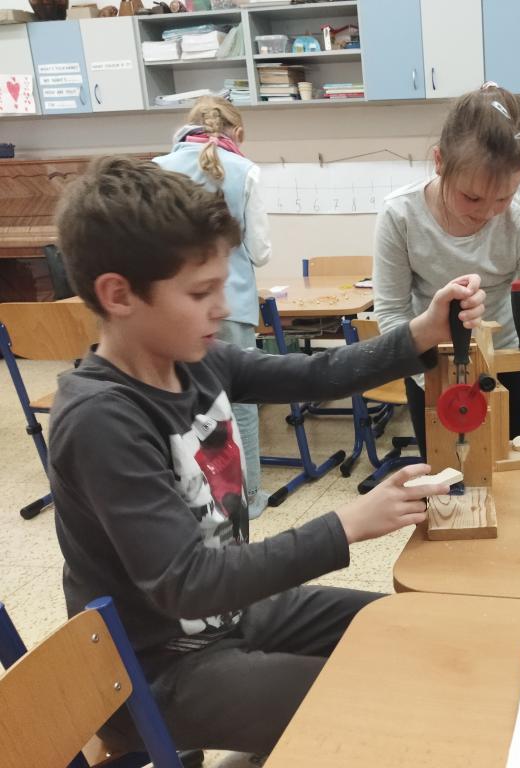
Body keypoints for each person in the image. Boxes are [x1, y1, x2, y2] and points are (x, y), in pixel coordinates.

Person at [49, 155, 486, 755]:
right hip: (155, 672)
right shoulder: (101, 420)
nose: (223, 307)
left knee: (402, 632)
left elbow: (315, 374)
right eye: (200, 292)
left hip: (231, 617)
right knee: (375, 702)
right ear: (118, 294)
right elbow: (189, 583)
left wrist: (421, 331)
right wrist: (347, 525)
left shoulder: (196, 361)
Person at [374, 83, 520, 450]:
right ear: (440, 161)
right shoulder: (400, 216)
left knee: (511, 470)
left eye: (504, 197)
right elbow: (392, 314)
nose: (487, 212)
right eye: (471, 196)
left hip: (504, 367)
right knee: (445, 475)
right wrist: (440, 383)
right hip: (430, 372)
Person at [153, 96, 272, 518]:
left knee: (179, 400)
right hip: (230, 303)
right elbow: (260, 252)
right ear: (237, 133)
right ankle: (250, 497)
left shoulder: (157, 168)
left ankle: (193, 498)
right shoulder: (245, 170)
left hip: (169, 309)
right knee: (241, 402)